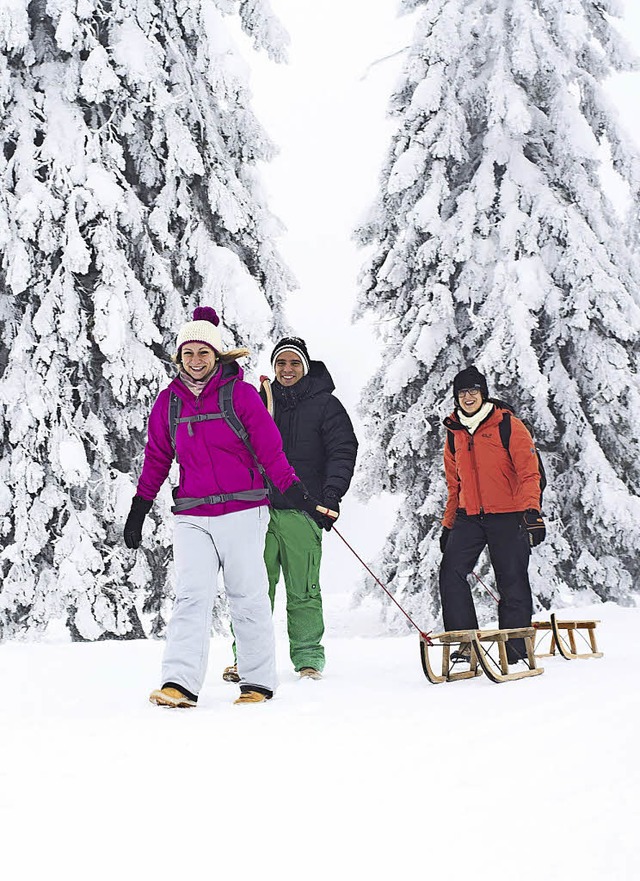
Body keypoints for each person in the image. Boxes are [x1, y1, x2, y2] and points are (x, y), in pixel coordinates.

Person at [123, 308, 328, 707]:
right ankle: (179, 683)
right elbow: (157, 458)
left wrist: (301, 496)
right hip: (192, 514)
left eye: (203, 353)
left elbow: (271, 451)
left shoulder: (241, 395)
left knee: (247, 594)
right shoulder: (168, 403)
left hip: (242, 510)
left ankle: (258, 681)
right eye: (188, 354)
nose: (195, 362)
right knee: (190, 596)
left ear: (217, 356)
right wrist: (140, 506)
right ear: (179, 358)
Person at [226, 336, 357, 682]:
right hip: (258, 511)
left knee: (304, 591)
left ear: (305, 366)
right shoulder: (258, 401)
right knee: (254, 591)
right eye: (281, 363)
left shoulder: (326, 406)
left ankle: (308, 659)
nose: (287, 369)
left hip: (304, 511)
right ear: (273, 367)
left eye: (294, 363)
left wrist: (330, 496)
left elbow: (343, 450)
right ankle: (246, 659)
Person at [438, 365, 546, 664]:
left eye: (473, 390)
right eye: (462, 392)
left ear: (483, 393)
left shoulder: (507, 425)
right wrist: (448, 525)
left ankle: (515, 649)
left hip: (509, 514)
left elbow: (529, 473)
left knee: (511, 579)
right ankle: (465, 642)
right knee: (451, 572)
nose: (468, 396)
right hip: (469, 516)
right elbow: (453, 485)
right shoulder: (454, 432)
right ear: (456, 397)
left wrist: (532, 512)